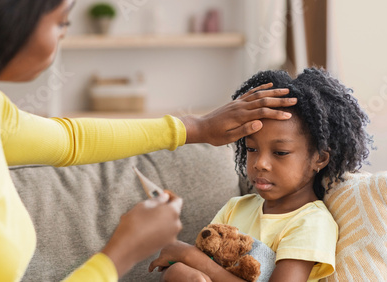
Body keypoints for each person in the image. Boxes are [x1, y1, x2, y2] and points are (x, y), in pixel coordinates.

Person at [0, 1, 298, 281]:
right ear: (3, 25)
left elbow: (69, 140)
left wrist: (196, 128)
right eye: (60, 21)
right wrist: (122, 252)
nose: (64, 31)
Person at [149, 68, 373, 282]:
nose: (260, 163)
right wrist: (177, 270)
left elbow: (198, 261)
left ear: (320, 159)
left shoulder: (311, 223)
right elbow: (195, 263)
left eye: (280, 152)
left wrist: (189, 257)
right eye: (252, 149)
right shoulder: (235, 208)